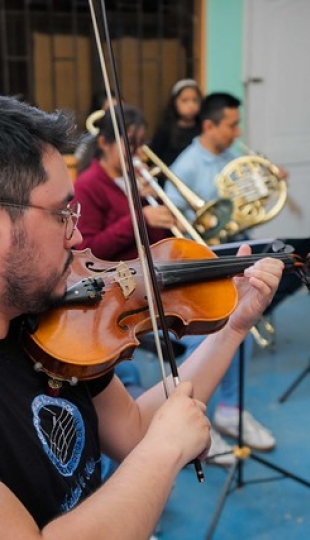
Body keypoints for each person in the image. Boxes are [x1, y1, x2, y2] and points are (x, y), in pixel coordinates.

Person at [0, 94, 284, 538]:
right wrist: (163, 453)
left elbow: (131, 429)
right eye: (61, 214)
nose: (77, 238)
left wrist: (233, 328)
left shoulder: (50, 322)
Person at [165, 92, 284, 464]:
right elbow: (173, 220)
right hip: (203, 260)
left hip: (236, 250)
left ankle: (231, 409)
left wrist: (269, 183)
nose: (237, 131)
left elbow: (246, 207)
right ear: (209, 125)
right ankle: (197, 419)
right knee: (214, 335)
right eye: (231, 124)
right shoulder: (188, 165)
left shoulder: (234, 158)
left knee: (244, 329)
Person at [73, 103, 177, 261]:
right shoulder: (87, 184)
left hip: (153, 269)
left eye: (141, 143)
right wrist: (140, 219)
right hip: (119, 279)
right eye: (130, 144)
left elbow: (157, 241)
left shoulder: (137, 177)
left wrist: (155, 201)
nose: (137, 152)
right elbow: (88, 250)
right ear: (103, 143)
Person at [149, 78, 202, 186]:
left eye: (195, 100)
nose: (190, 105)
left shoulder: (203, 129)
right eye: (184, 100)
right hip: (169, 183)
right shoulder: (166, 129)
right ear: (174, 102)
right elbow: (154, 159)